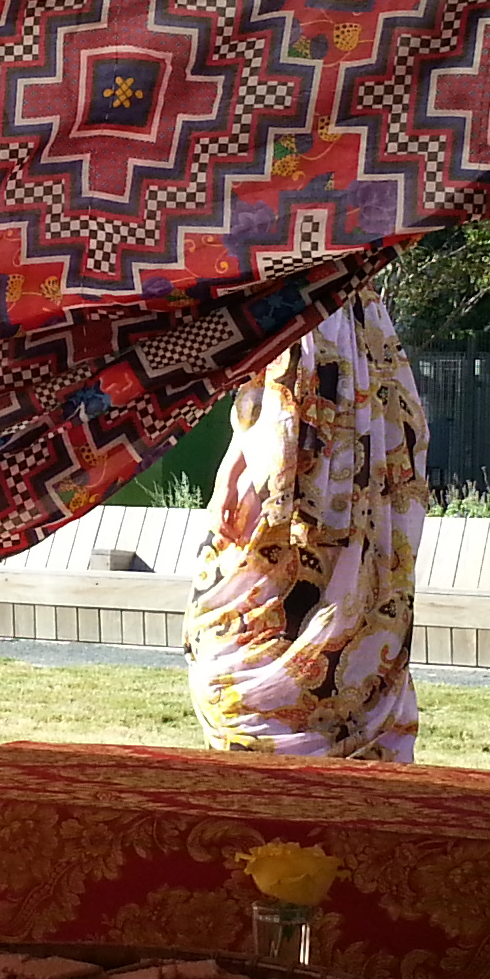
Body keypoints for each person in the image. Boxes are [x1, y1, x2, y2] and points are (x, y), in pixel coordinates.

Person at [187, 288, 430, 762]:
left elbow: (289, 384)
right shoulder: (355, 312)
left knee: (228, 650)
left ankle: (293, 754)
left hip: (325, 367)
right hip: (356, 377)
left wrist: (239, 469)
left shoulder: (310, 297)